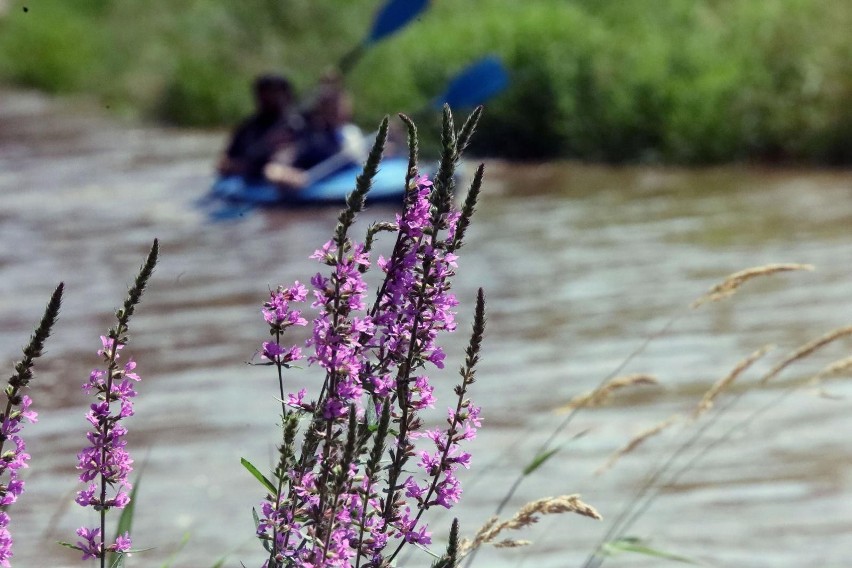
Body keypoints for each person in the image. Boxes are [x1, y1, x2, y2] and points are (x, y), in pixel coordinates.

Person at [265, 73, 366, 189]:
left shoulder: (351, 133)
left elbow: (357, 157)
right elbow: (275, 167)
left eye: (339, 105)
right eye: (330, 106)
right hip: (311, 184)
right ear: (321, 109)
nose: (337, 110)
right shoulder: (311, 137)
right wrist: (285, 174)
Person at [216, 74, 301, 183]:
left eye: (275, 92)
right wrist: (250, 166)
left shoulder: (299, 124)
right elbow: (225, 162)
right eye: (265, 92)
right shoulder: (248, 127)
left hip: (287, 173)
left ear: (287, 95)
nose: (269, 97)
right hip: (254, 174)